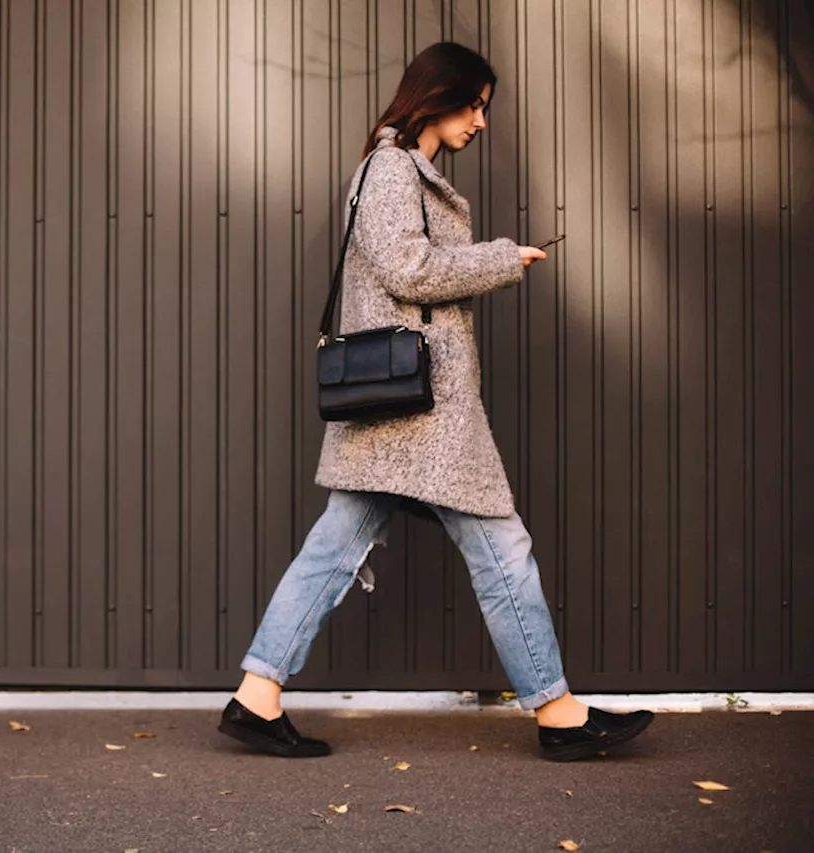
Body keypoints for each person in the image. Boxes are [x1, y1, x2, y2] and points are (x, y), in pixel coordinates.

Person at [217, 42, 654, 763]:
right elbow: (407, 269)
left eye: (485, 106)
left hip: (401, 412)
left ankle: (256, 694)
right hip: (422, 411)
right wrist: (501, 259)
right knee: (500, 546)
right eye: (474, 103)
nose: (481, 120)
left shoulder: (400, 167)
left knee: (336, 547)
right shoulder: (392, 168)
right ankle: (559, 712)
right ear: (437, 94)